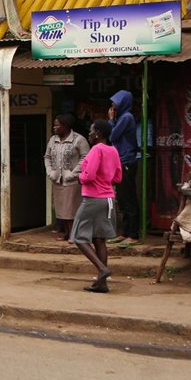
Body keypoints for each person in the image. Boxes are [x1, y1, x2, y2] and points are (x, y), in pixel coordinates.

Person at [72, 118, 122, 293]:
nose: (89, 133)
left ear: (98, 134)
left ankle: (102, 269)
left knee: (78, 237)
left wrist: (80, 177)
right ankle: (102, 284)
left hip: (93, 199)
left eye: (91, 130)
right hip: (108, 199)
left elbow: (89, 176)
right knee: (99, 239)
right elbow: (118, 178)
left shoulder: (96, 150)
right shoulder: (113, 150)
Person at [44, 114, 90, 241]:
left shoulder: (79, 140)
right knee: (61, 210)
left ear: (65, 126)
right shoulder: (53, 140)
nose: (54, 127)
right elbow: (47, 157)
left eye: (57, 125)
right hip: (57, 180)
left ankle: (74, 234)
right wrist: (50, 171)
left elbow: (85, 158)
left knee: (71, 209)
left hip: (72, 182)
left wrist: (73, 173)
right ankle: (67, 232)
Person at [108, 90, 140, 245]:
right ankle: (125, 232)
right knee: (122, 198)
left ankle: (133, 234)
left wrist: (110, 120)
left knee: (129, 198)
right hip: (120, 161)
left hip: (127, 161)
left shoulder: (126, 117)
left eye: (115, 102)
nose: (112, 105)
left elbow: (112, 136)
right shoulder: (122, 117)